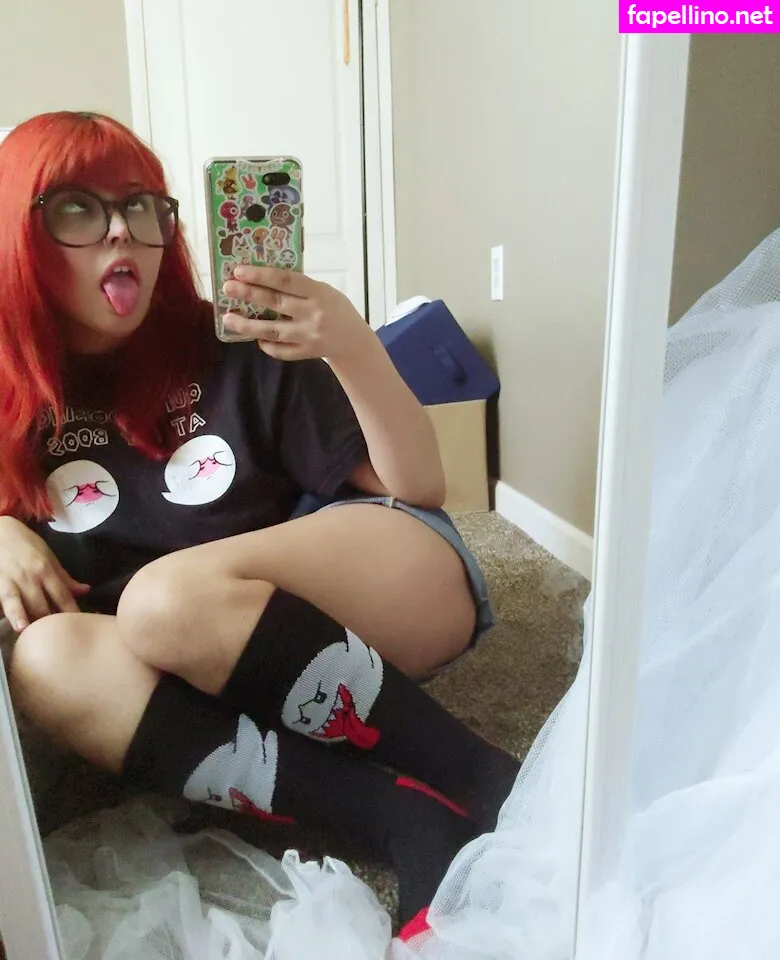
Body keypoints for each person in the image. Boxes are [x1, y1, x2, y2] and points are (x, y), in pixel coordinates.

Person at [0, 111, 518, 937]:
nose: (122, 232)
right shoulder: (13, 398)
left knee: (164, 600)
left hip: (368, 597)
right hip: (200, 682)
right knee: (44, 658)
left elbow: (419, 486)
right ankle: (402, 820)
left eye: (141, 205)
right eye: (77, 208)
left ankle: (490, 780)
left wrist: (351, 343)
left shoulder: (234, 343)